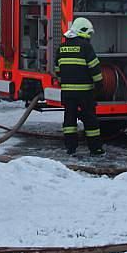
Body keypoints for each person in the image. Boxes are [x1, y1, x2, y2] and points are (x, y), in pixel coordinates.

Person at [54, 17, 105, 156]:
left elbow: (57, 70)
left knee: (69, 121)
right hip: (85, 92)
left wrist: (64, 83)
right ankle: (96, 149)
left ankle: (70, 148)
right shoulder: (85, 46)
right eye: (88, 33)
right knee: (90, 121)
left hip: (67, 92)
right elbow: (94, 68)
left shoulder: (61, 48)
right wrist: (99, 86)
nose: (89, 37)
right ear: (82, 32)